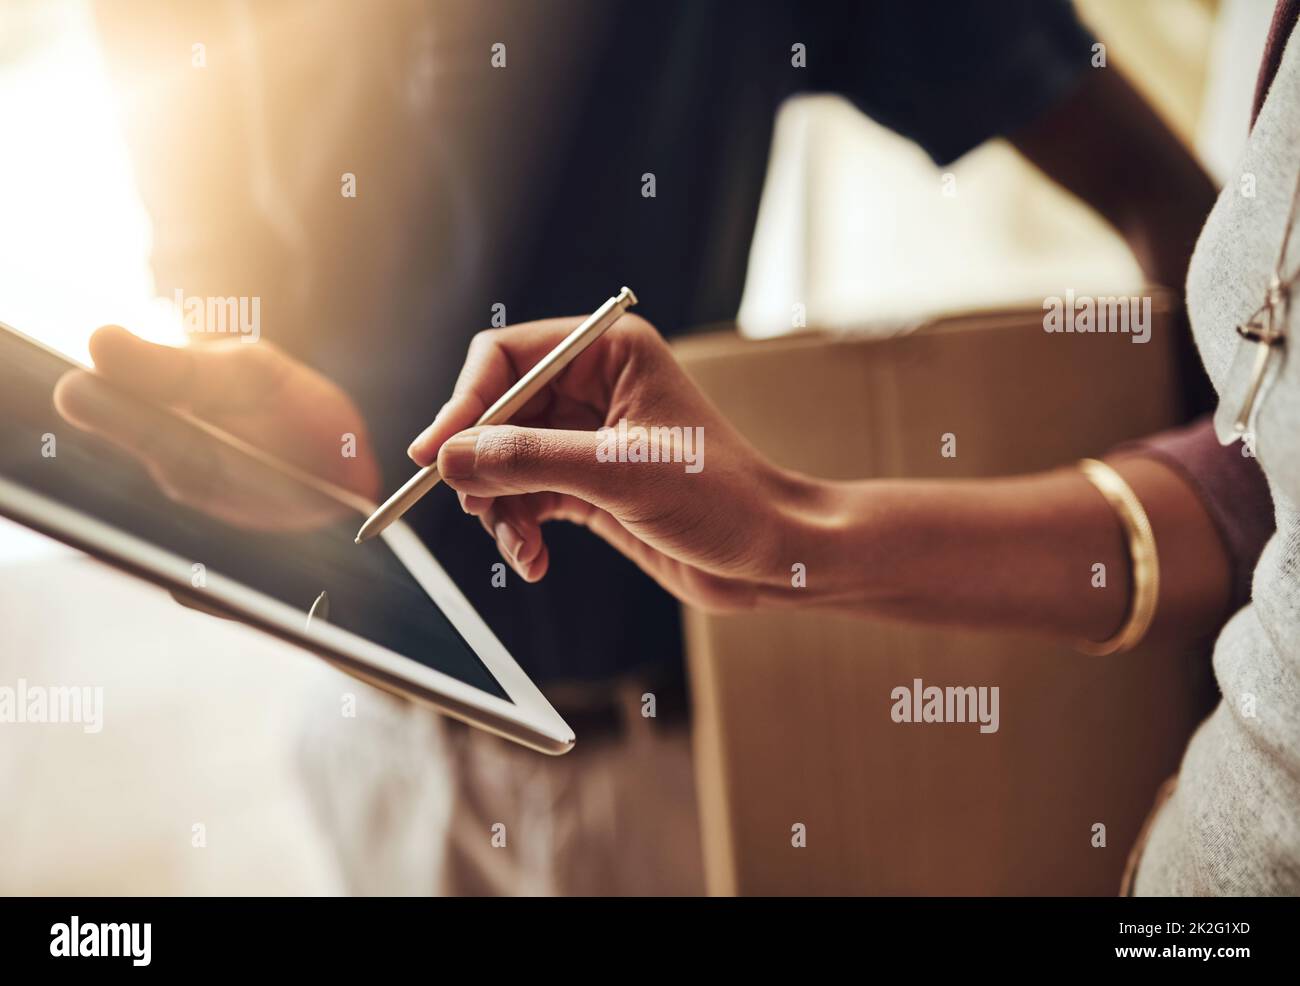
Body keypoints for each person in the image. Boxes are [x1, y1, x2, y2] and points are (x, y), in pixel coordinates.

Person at [86, 0, 1269, 893]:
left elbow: (1171, 207)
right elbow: (222, 275)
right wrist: (310, 463)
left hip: (663, 769)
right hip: (369, 723)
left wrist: (1200, 608)